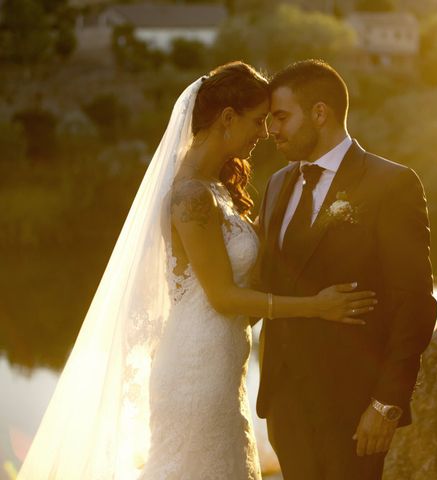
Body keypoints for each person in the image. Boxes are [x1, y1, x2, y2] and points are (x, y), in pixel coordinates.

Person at [17, 61, 376, 480]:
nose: (264, 132)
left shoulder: (217, 189)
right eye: (258, 121)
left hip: (222, 364)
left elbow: (251, 262)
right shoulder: (190, 196)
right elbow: (222, 297)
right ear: (227, 118)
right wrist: (316, 307)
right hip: (195, 367)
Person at [256, 59, 437, 479]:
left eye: (281, 117)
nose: (272, 131)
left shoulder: (391, 183)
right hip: (285, 407)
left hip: (355, 405)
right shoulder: (277, 185)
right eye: (268, 121)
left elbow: (415, 303)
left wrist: (386, 403)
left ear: (320, 113)